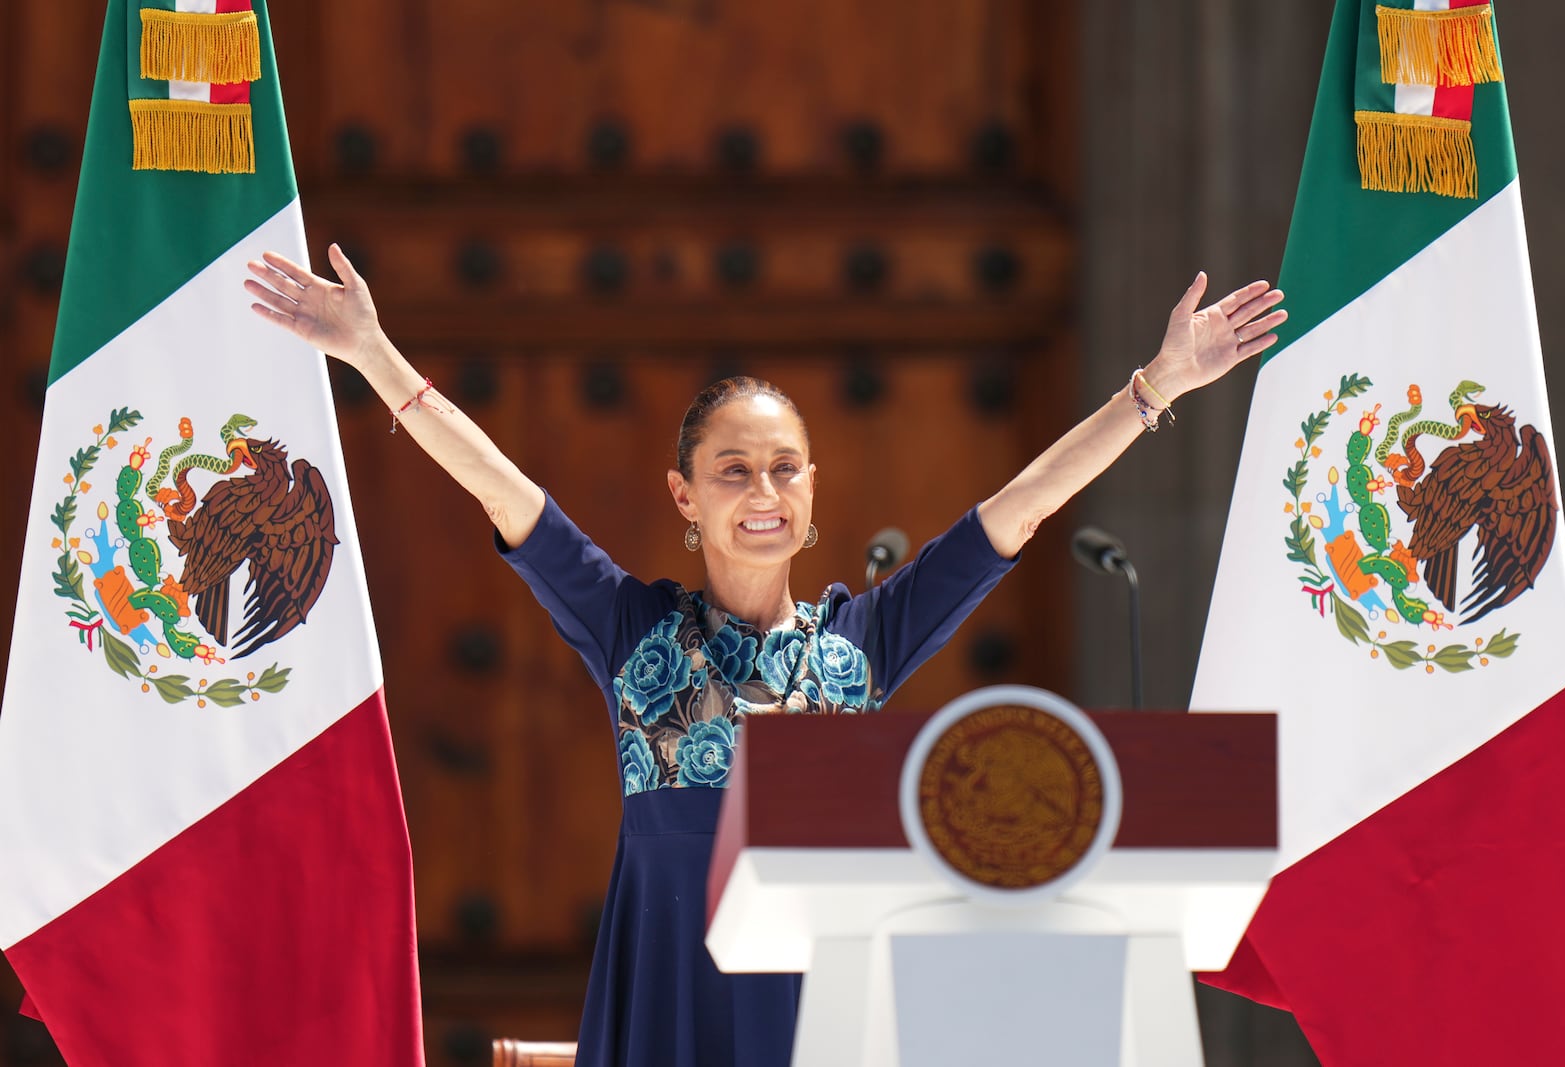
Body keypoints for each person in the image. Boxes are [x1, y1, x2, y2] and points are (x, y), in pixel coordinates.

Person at [244, 244, 1285, 1067]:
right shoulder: (628, 628)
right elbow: (502, 487)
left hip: (821, 1009)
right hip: (665, 995)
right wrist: (375, 358)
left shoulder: (858, 647)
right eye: (732, 469)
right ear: (684, 497)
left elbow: (1019, 508)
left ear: (812, 493)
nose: (762, 491)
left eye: (784, 467)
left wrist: (1156, 385)